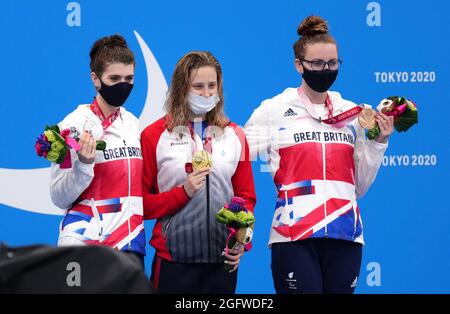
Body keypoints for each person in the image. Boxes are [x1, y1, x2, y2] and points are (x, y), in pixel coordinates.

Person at [244, 16, 394, 294]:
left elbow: (358, 185)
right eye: (317, 64)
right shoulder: (274, 110)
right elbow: (239, 158)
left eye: (332, 63)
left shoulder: (353, 114)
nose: (326, 69)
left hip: (345, 235)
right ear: (298, 65)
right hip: (293, 235)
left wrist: (378, 142)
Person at [141, 51, 256, 293]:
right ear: (182, 89)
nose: (206, 94)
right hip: (174, 263)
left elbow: (246, 199)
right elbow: (141, 205)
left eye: (212, 86)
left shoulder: (236, 135)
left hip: (222, 264)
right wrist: (183, 192)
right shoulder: (154, 136)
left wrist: (241, 241)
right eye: (198, 87)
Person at [50, 34, 146, 267]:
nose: (123, 85)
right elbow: (58, 196)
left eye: (129, 78)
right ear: (95, 78)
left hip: (129, 243)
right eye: (114, 78)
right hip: (85, 245)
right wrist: (83, 164)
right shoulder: (69, 128)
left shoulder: (133, 124)